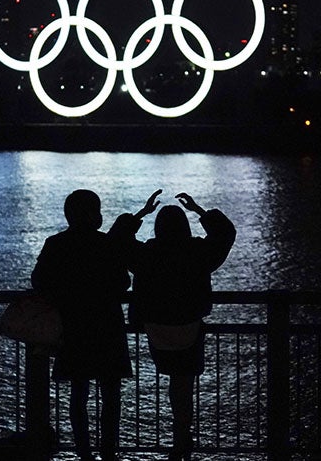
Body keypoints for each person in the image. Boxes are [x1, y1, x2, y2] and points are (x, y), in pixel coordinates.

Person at [31, 189, 157, 461]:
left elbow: (39, 281)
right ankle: (108, 452)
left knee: (79, 393)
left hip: (73, 327)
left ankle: (84, 453)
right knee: (111, 395)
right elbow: (123, 282)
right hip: (107, 327)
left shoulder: (55, 244)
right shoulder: (106, 245)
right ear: (93, 214)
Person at [124, 191, 236, 461]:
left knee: (175, 382)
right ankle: (182, 437)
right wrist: (199, 210)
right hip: (189, 327)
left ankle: (179, 438)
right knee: (183, 385)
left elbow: (117, 241)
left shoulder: (147, 254)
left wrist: (140, 214)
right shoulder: (197, 252)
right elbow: (226, 233)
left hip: (157, 328)